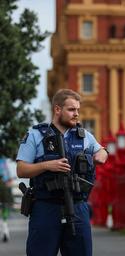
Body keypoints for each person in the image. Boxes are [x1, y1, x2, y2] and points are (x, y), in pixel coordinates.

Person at [16, 89, 108, 256]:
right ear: (57, 109)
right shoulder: (35, 135)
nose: (77, 114)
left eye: (78, 110)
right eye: (72, 110)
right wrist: (47, 165)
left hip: (78, 207)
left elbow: (103, 152)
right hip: (45, 208)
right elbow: (21, 169)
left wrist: (98, 156)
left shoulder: (84, 135)